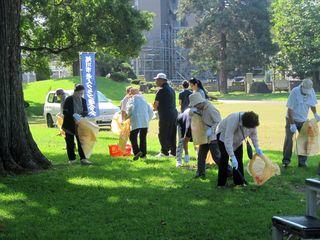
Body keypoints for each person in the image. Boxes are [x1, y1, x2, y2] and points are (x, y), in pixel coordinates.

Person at [216, 111, 263, 187]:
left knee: (239, 159)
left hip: (238, 140)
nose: (251, 129)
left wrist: (257, 147)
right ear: (244, 124)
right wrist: (232, 156)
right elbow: (228, 139)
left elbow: (254, 135)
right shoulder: (233, 119)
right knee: (224, 159)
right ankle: (221, 184)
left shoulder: (252, 123)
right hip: (223, 137)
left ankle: (239, 182)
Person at [282, 79, 320, 167]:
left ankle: (302, 162)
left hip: (303, 120)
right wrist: (291, 124)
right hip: (291, 119)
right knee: (289, 140)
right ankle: (286, 162)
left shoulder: (311, 91)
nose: (306, 92)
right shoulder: (294, 92)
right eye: (305, 90)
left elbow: (312, 104)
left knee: (304, 140)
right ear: (302, 86)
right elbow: (290, 110)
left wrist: (315, 114)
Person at [189, 92, 222, 178]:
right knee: (201, 156)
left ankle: (229, 172)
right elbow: (191, 114)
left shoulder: (211, 109)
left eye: (196, 105)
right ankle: (200, 173)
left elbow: (219, 122)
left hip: (213, 136)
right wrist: (192, 112)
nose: (196, 107)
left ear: (200, 103)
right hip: (204, 136)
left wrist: (212, 130)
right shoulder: (200, 108)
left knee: (217, 157)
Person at [62, 84, 92, 165]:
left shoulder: (83, 100)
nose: (80, 95)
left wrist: (81, 116)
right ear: (75, 92)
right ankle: (72, 159)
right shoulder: (69, 99)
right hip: (69, 124)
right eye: (79, 93)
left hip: (80, 124)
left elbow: (86, 112)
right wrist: (73, 115)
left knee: (81, 142)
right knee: (70, 142)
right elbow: (65, 111)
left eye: (82, 93)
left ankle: (83, 158)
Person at [153, 73, 178, 157]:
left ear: (162, 80)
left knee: (163, 133)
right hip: (174, 114)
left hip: (165, 114)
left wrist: (154, 109)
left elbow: (156, 104)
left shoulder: (161, 90)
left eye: (157, 79)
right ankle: (173, 152)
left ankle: (164, 152)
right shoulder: (171, 89)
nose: (156, 81)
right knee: (172, 133)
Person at [126, 88, 154, 160]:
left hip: (136, 121)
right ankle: (143, 155)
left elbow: (130, 110)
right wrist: (148, 119)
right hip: (145, 121)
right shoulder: (144, 100)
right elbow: (150, 111)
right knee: (143, 137)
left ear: (131, 94)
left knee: (132, 136)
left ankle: (136, 151)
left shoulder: (132, 100)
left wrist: (126, 117)